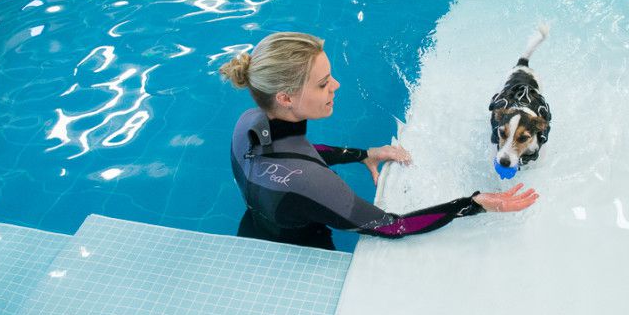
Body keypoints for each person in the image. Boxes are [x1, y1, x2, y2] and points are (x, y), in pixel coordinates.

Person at [219, 31, 539, 250]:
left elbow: (293, 155)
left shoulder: (248, 123)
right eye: (322, 83)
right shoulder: (314, 184)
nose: (336, 85)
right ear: (286, 98)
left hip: (253, 231)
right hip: (300, 255)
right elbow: (392, 226)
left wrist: (362, 154)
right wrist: (472, 203)